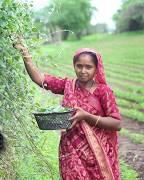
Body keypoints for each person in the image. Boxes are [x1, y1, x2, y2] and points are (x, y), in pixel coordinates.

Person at [14, 38, 122, 180]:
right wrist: (25, 54)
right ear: (74, 66)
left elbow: (117, 124)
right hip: (71, 149)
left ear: (96, 68)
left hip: (97, 152)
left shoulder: (103, 91)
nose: (83, 71)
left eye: (88, 67)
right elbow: (40, 79)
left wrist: (86, 116)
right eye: (79, 66)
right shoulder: (68, 85)